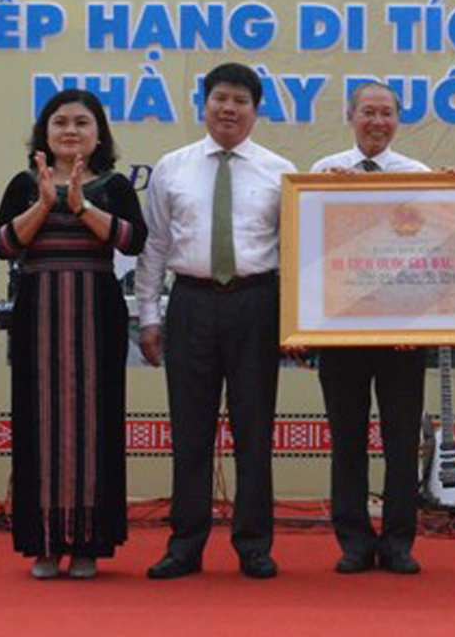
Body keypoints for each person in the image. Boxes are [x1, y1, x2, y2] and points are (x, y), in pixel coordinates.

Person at [136, 63, 296, 580]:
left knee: (255, 430)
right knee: (190, 431)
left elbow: (295, 253)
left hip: (256, 303)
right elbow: (154, 247)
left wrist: (294, 322)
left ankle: (254, 545)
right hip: (191, 305)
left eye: (240, 101)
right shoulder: (172, 167)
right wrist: (148, 317)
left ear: (255, 110)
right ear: (203, 104)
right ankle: (185, 544)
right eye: (220, 99)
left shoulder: (280, 170)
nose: (229, 109)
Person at [0, 89, 147, 579]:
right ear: (45, 133)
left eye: (82, 122)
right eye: (60, 123)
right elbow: (3, 244)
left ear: (99, 134)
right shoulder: (23, 183)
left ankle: (88, 545)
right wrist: (44, 201)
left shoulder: (115, 185)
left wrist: (80, 205)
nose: (71, 130)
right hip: (39, 310)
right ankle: (44, 544)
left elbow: (132, 240)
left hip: (95, 311)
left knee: (95, 421)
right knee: (39, 420)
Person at [309, 82, 429, 575]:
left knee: (402, 439)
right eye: (368, 112)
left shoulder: (419, 177)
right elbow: (306, 254)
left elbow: (432, 257)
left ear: (398, 119)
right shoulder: (320, 173)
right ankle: (354, 540)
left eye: (386, 113)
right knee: (348, 438)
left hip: (401, 330)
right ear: (351, 116)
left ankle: (399, 541)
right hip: (340, 331)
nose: (377, 121)